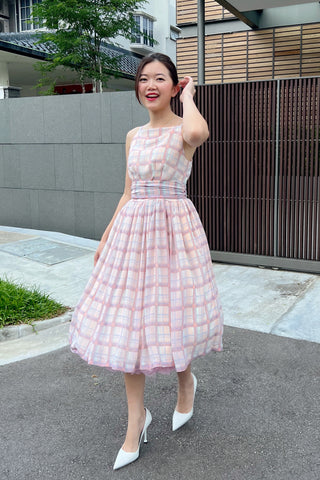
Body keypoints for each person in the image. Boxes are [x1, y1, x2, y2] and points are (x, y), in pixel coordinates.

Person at [69, 53, 223, 470]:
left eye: (160, 79)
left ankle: (185, 384)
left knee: (176, 315)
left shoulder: (183, 131)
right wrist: (105, 238)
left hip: (175, 234)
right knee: (128, 323)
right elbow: (126, 191)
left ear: (174, 86)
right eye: (143, 79)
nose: (149, 85)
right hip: (132, 234)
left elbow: (198, 131)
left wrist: (190, 95)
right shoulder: (133, 135)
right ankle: (137, 417)